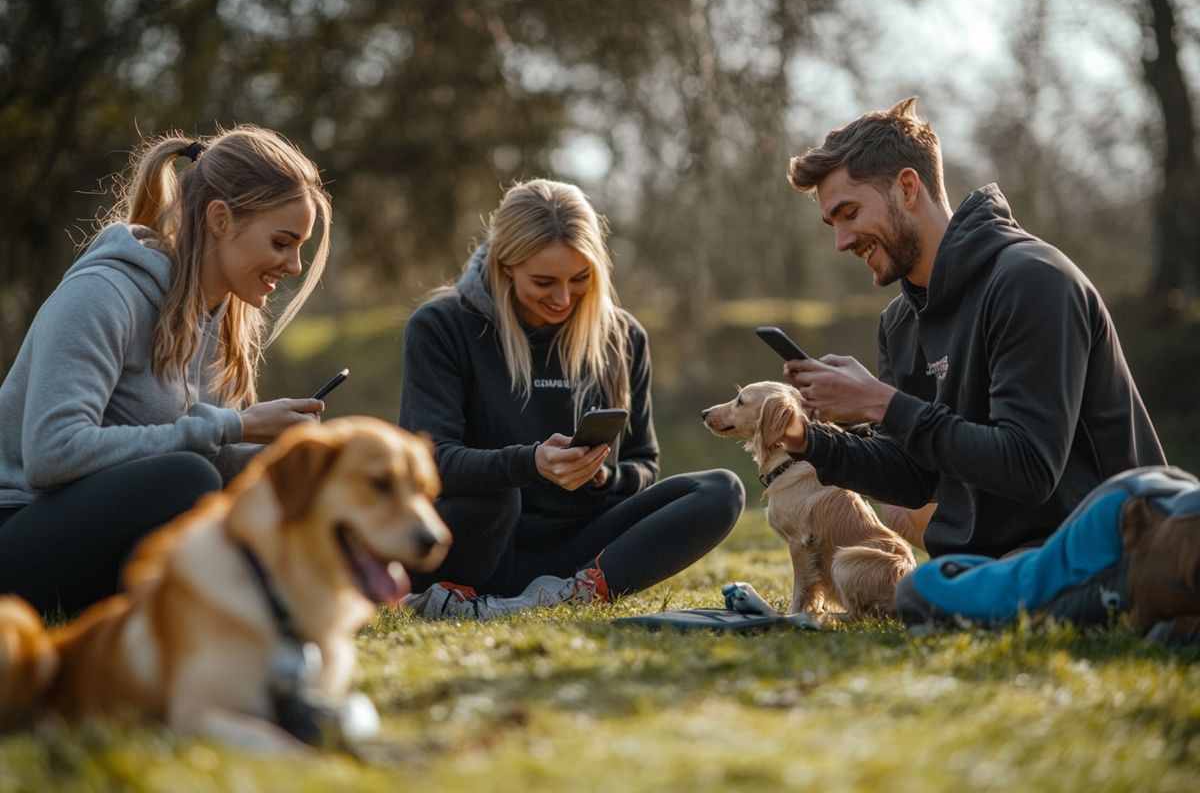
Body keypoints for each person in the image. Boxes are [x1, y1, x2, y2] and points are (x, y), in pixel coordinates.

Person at [778, 97, 1165, 559]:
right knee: (926, 591)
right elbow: (915, 478)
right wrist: (807, 438)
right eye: (832, 224)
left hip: (1110, 554)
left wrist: (880, 402)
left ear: (906, 188)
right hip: (987, 564)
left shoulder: (1032, 280)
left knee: (925, 594)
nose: (841, 241)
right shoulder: (900, 323)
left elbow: (1029, 467)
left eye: (850, 213)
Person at [0, 125, 333, 616]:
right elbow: (53, 454)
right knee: (184, 478)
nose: (294, 266)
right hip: (21, 528)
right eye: (282, 242)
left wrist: (277, 456)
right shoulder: (103, 294)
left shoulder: (225, 321)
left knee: (266, 479)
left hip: (106, 540)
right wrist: (236, 426)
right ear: (220, 219)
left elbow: (204, 455)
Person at [399, 179, 745, 618]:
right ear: (505, 267)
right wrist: (530, 463)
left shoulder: (623, 337)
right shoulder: (441, 325)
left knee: (719, 490)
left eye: (580, 279)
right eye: (543, 282)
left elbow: (644, 463)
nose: (563, 298)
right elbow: (426, 463)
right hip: (476, 540)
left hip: (571, 551)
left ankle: (563, 594)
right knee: (498, 492)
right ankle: (460, 594)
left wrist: (603, 478)